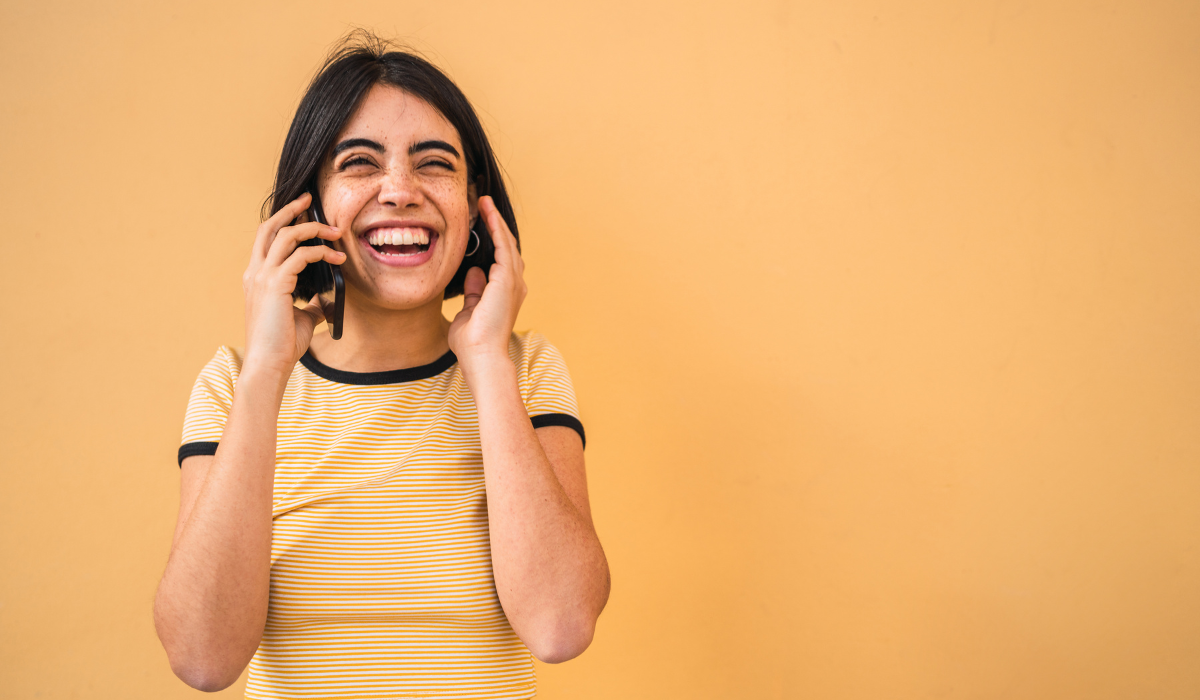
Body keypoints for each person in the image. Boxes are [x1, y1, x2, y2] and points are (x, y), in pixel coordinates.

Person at [153, 32, 610, 699]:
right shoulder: (233, 386)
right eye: (359, 164)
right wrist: (267, 374)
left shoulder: (525, 371)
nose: (399, 191)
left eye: (434, 165)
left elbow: (561, 626)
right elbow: (202, 658)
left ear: (475, 205)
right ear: (307, 203)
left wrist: (484, 362)